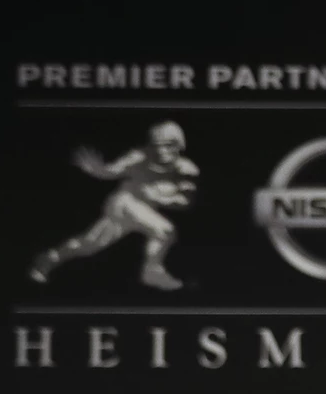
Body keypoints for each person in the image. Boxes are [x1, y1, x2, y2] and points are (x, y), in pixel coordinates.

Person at [28, 122, 199, 291]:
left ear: (179, 145)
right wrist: (98, 170)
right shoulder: (138, 157)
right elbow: (112, 171)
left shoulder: (187, 169)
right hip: (124, 202)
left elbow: (185, 202)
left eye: (168, 145)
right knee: (165, 230)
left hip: (142, 210)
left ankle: (50, 258)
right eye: (157, 145)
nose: (162, 150)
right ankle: (152, 271)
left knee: (89, 244)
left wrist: (159, 197)